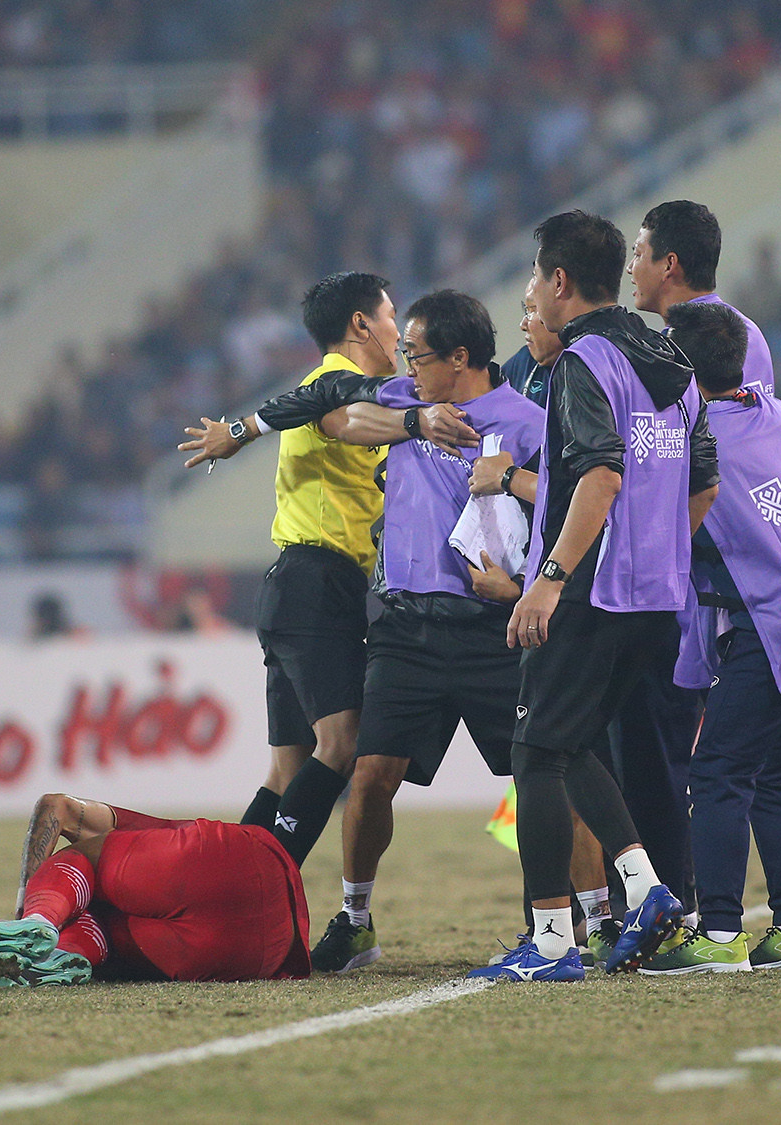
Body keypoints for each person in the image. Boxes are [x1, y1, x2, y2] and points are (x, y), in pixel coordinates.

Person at [194, 291, 545, 971]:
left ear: (460, 358)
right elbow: (327, 405)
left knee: (540, 772)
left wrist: (531, 582)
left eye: (417, 352)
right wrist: (246, 430)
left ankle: (556, 919)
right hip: (402, 625)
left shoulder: (524, 420)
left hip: (492, 627)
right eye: (401, 341)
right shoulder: (396, 398)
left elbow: (565, 498)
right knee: (364, 769)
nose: (405, 358)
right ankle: (350, 917)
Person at [470, 210, 719, 982]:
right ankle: (645, 891)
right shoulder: (671, 357)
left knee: (534, 751)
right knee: (570, 744)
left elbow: (602, 473)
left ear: (559, 281)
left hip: (591, 587)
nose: (532, 296)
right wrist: (658, 552)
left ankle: (549, 943)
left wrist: (549, 579)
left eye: (534, 278)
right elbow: (702, 478)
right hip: (655, 597)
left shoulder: (586, 359)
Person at [178, 272, 479, 867]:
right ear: (362, 323)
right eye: (392, 315)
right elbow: (347, 422)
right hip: (316, 582)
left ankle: (226, 881)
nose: (400, 329)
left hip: (299, 585)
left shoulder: (360, 390)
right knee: (340, 744)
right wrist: (421, 422)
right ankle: (268, 880)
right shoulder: (333, 387)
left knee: (289, 766)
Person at [626, 199, 781, 939]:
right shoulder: (756, 378)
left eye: (639, 250)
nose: (633, 264)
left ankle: (739, 923)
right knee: (777, 764)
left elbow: (702, 484)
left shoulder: (699, 386)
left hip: (757, 602)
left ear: (669, 263)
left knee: (734, 766)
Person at [0, 792, 311, 986]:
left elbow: (56, 807)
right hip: (260, 954)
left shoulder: (129, 834)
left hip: (226, 863)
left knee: (74, 861)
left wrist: (25, 908)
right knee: (104, 932)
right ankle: (54, 957)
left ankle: (40, 922)